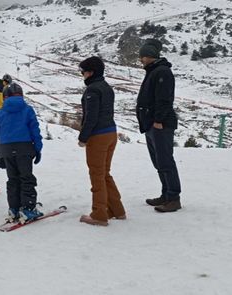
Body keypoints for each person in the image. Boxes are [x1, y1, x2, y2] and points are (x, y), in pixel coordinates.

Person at [77, 56, 126, 226]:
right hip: (111, 133)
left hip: (98, 136)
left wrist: (83, 138)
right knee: (104, 173)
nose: (82, 75)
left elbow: (91, 117)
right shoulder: (106, 87)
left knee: (96, 175)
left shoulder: (92, 90)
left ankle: (99, 214)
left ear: (90, 72)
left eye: (83, 72)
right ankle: (117, 210)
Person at [136, 38, 182, 213]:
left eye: (142, 57)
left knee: (165, 161)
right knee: (158, 161)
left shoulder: (162, 72)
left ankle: (173, 197)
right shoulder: (154, 71)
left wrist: (159, 121)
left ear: (149, 56)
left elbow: (164, 99)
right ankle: (165, 194)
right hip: (151, 124)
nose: (140, 60)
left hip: (159, 125)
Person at [0, 82, 43, 224]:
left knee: (13, 179)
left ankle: (14, 209)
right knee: (26, 178)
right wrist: (38, 149)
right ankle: (27, 209)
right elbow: (35, 131)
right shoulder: (27, 110)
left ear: (4, 97)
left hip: (6, 149)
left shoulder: (0, 113)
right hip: (24, 148)